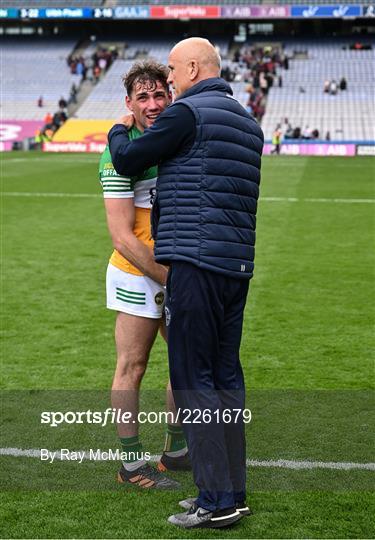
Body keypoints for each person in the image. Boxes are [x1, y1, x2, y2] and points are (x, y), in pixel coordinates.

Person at [108, 37, 264, 529]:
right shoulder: (247, 120)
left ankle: (214, 501)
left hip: (194, 266)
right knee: (226, 380)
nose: (171, 82)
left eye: (174, 71)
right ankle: (233, 493)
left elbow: (129, 160)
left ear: (194, 68)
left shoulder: (190, 111)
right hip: (235, 267)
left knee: (194, 381)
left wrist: (117, 128)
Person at [99, 60, 190, 490]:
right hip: (137, 274)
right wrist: (166, 276)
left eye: (159, 95)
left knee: (184, 362)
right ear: (129, 104)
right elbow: (121, 237)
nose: (153, 104)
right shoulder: (117, 152)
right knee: (133, 365)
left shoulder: (175, 136)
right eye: (143, 97)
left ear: (170, 96)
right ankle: (131, 465)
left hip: (174, 268)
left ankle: (174, 452)